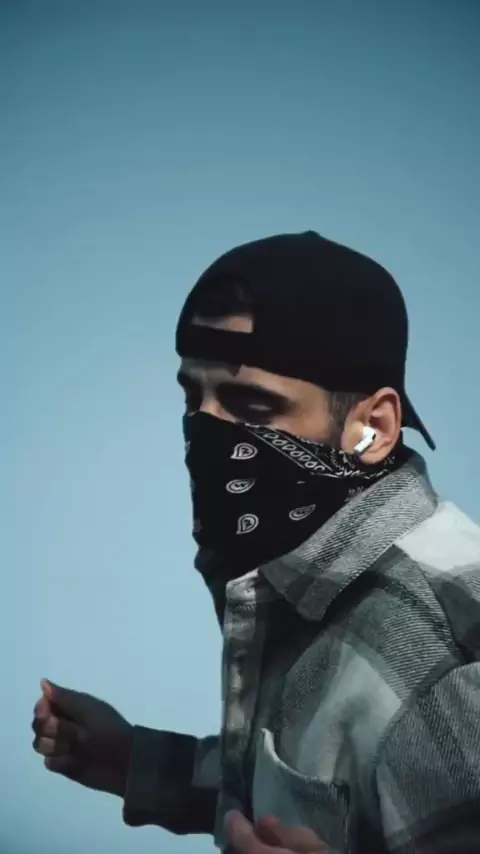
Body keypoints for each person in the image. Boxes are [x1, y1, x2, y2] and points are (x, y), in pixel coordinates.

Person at [33, 232, 480, 854]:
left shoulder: (451, 660)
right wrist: (136, 762)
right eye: (194, 398)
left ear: (373, 429)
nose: (207, 431)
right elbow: (331, 789)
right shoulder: (299, 571)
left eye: (253, 406)